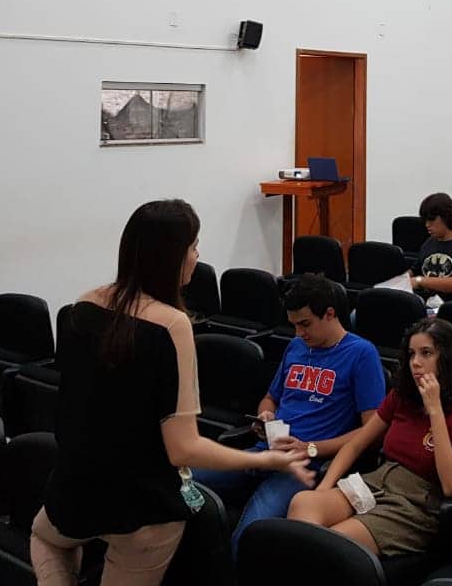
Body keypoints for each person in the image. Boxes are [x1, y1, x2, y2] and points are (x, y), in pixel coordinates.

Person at [31, 200, 313, 584]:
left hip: (75, 486)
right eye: (194, 246)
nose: (198, 256)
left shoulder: (85, 304)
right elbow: (183, 449)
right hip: (141, 507)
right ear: (173, 256)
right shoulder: (171, 325)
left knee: (44, 537)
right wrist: (267, 461)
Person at [193, 274, 385, 551]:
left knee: (249, 538)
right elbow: (270, 399)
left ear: (330, 314)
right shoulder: (297, 347)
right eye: (294, 325)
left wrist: (311, 448)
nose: (298, 333)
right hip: (265, 451)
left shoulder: (361, 354)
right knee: (184, 484)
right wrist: (266, 417)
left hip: (305, 465)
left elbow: (372, 431)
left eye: (305, 324)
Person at [288, 317, 452, 557]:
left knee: (335, 544)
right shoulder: (403, 394)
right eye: (412, 354)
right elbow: (355, 445)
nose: (416, 363)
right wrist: (324, 488)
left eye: (426, 353)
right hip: (376, 482)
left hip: (415, 504)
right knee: (303, 502)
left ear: (447, 357)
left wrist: (434, 409)